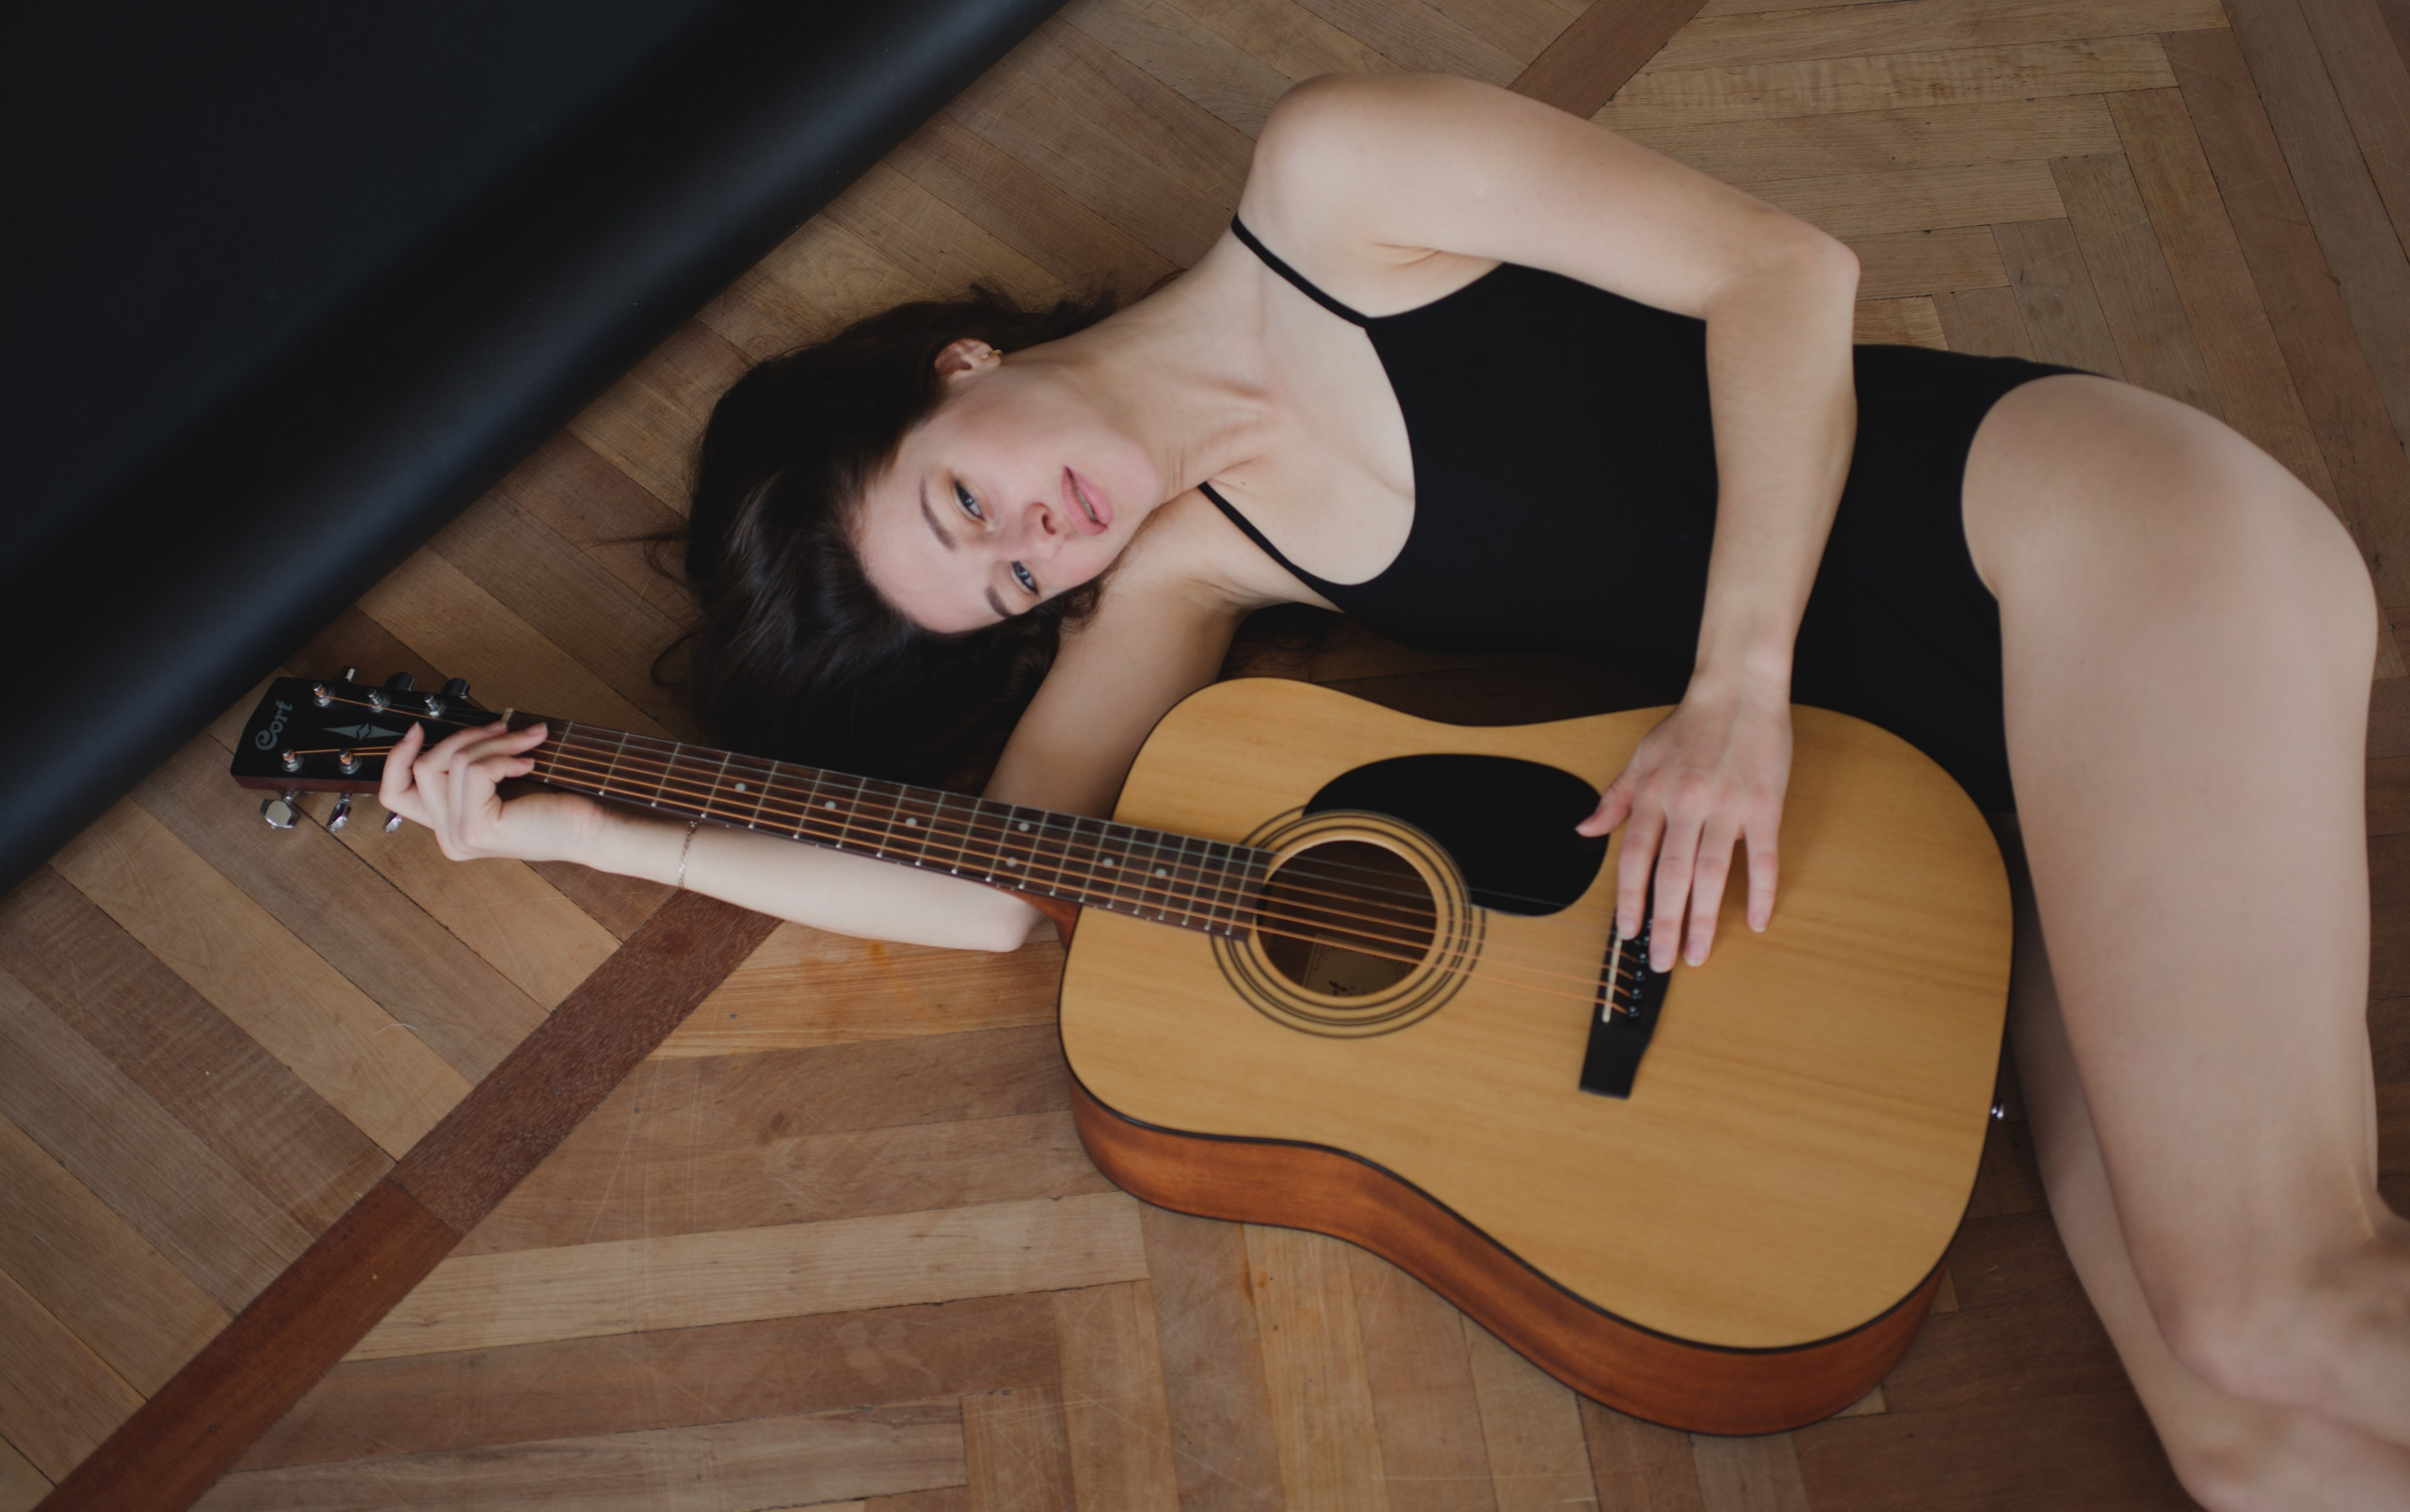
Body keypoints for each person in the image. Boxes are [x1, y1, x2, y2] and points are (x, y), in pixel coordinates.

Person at [378, 72, 2406, 1506]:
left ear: (957, 370)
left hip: (2087, 549)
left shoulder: (1335, 179)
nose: (1040, 539)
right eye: (1000, 584)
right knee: (2239, 1442)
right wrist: (602, 825)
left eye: (965, 501)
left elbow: (1785, 269)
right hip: (1966, 804)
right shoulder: (1187, 566)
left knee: (2263, 1308)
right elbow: (1009, 881)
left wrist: (1733, 693)